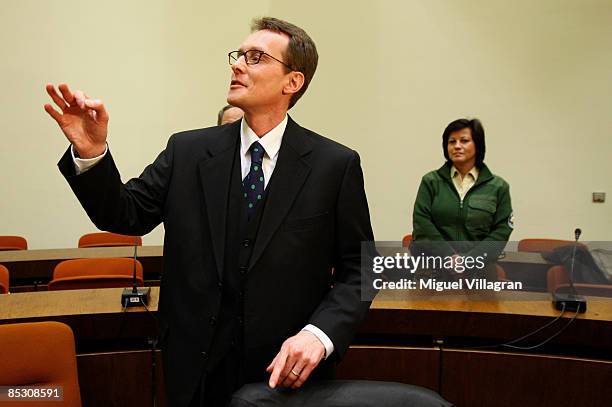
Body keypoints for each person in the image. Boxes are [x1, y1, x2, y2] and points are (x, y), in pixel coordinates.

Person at [45, 17, 374, 407]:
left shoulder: (333, 165)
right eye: (238, 56)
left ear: (292, 82)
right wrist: (91, 152)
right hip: (194, 368)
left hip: (285, 374)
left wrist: (319, 335)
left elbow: (363, 267)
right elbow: (125, 214)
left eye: (255, 57)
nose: (237, 65)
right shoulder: (188, 152)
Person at [411, 118, 513, 279]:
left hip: (479, 272)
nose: (457, 146)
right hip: (433, 271)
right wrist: (448, 257)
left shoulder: (498, 187)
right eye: (452, 141)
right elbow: (422, 223)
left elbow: (501, 231)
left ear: (477, 145)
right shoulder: (431, 181)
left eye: (464, 140)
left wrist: (468, 261)